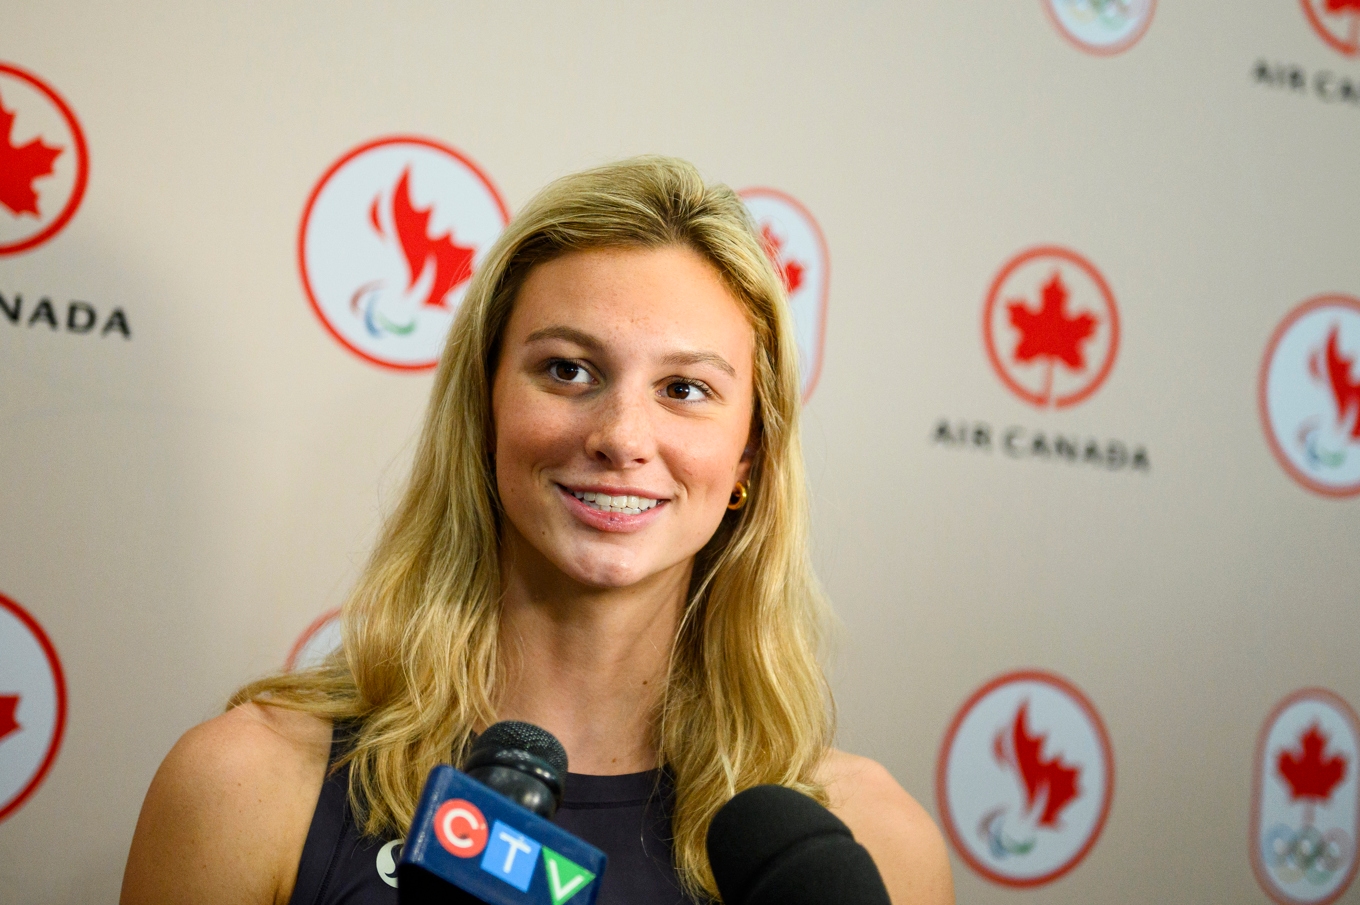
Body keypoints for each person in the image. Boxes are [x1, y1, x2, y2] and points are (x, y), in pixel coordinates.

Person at [120, 157, 954, 905]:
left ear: (748, 457)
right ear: (484, 409)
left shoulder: (870, 848)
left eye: (686, 388)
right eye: (567, 370)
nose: (622, 436)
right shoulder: (251, 786)